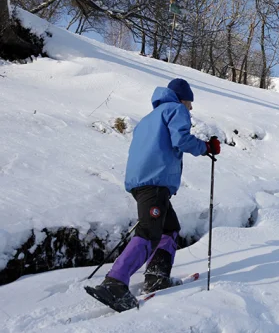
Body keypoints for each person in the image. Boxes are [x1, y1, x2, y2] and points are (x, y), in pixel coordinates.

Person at [85, 78, 221, 312]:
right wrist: (206, 148)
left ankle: (157, 276)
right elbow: (181, 139)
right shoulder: (176, 109)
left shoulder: (149, 118)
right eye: (190, 102)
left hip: (141, 182)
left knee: (170, 228)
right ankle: (115, 283)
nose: (191, 108)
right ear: (182, 98)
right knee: (149, 232)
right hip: (155, 183)